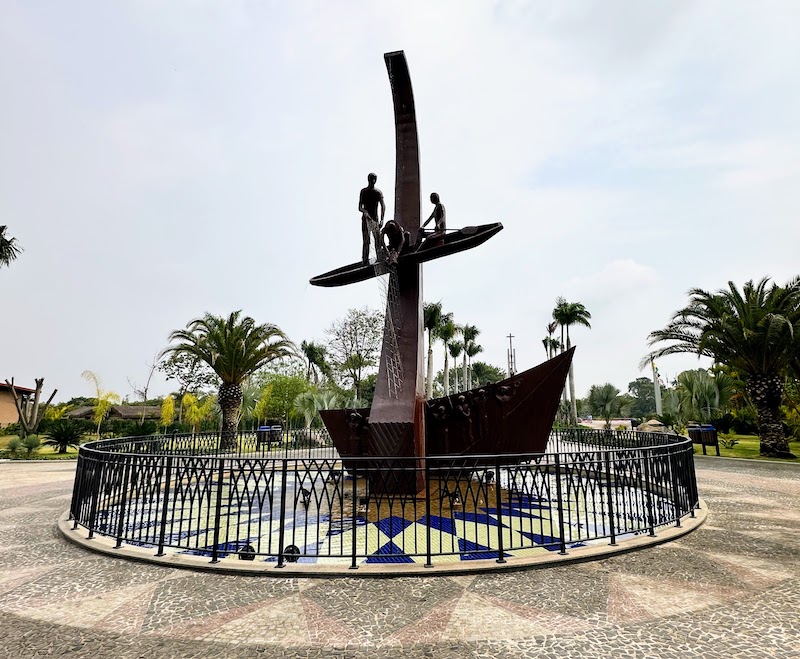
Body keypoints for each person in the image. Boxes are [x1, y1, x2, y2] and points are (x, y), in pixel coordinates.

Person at [358, 173, 385, 263]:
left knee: (378, 240)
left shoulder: (378, 192)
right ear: (368, 180)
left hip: (375, 220)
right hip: (366, 220)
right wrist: (365, 212)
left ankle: (379, 259)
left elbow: (383, 206)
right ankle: (365, 260)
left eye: (374, 179)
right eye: (371, 179)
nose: (373, 181)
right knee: (366, 240)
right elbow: (359, 207)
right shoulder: (364, 191)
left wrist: (382, 219)